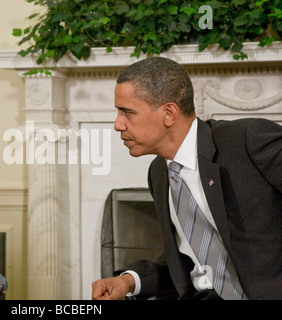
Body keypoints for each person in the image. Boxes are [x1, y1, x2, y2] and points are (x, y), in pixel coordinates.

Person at [92, 57, 282, 300]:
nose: (118, 125)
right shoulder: (159, 173)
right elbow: (187, 258)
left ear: (169, 113)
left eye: (127, 112)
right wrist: (129, 281)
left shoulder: (246, 140)